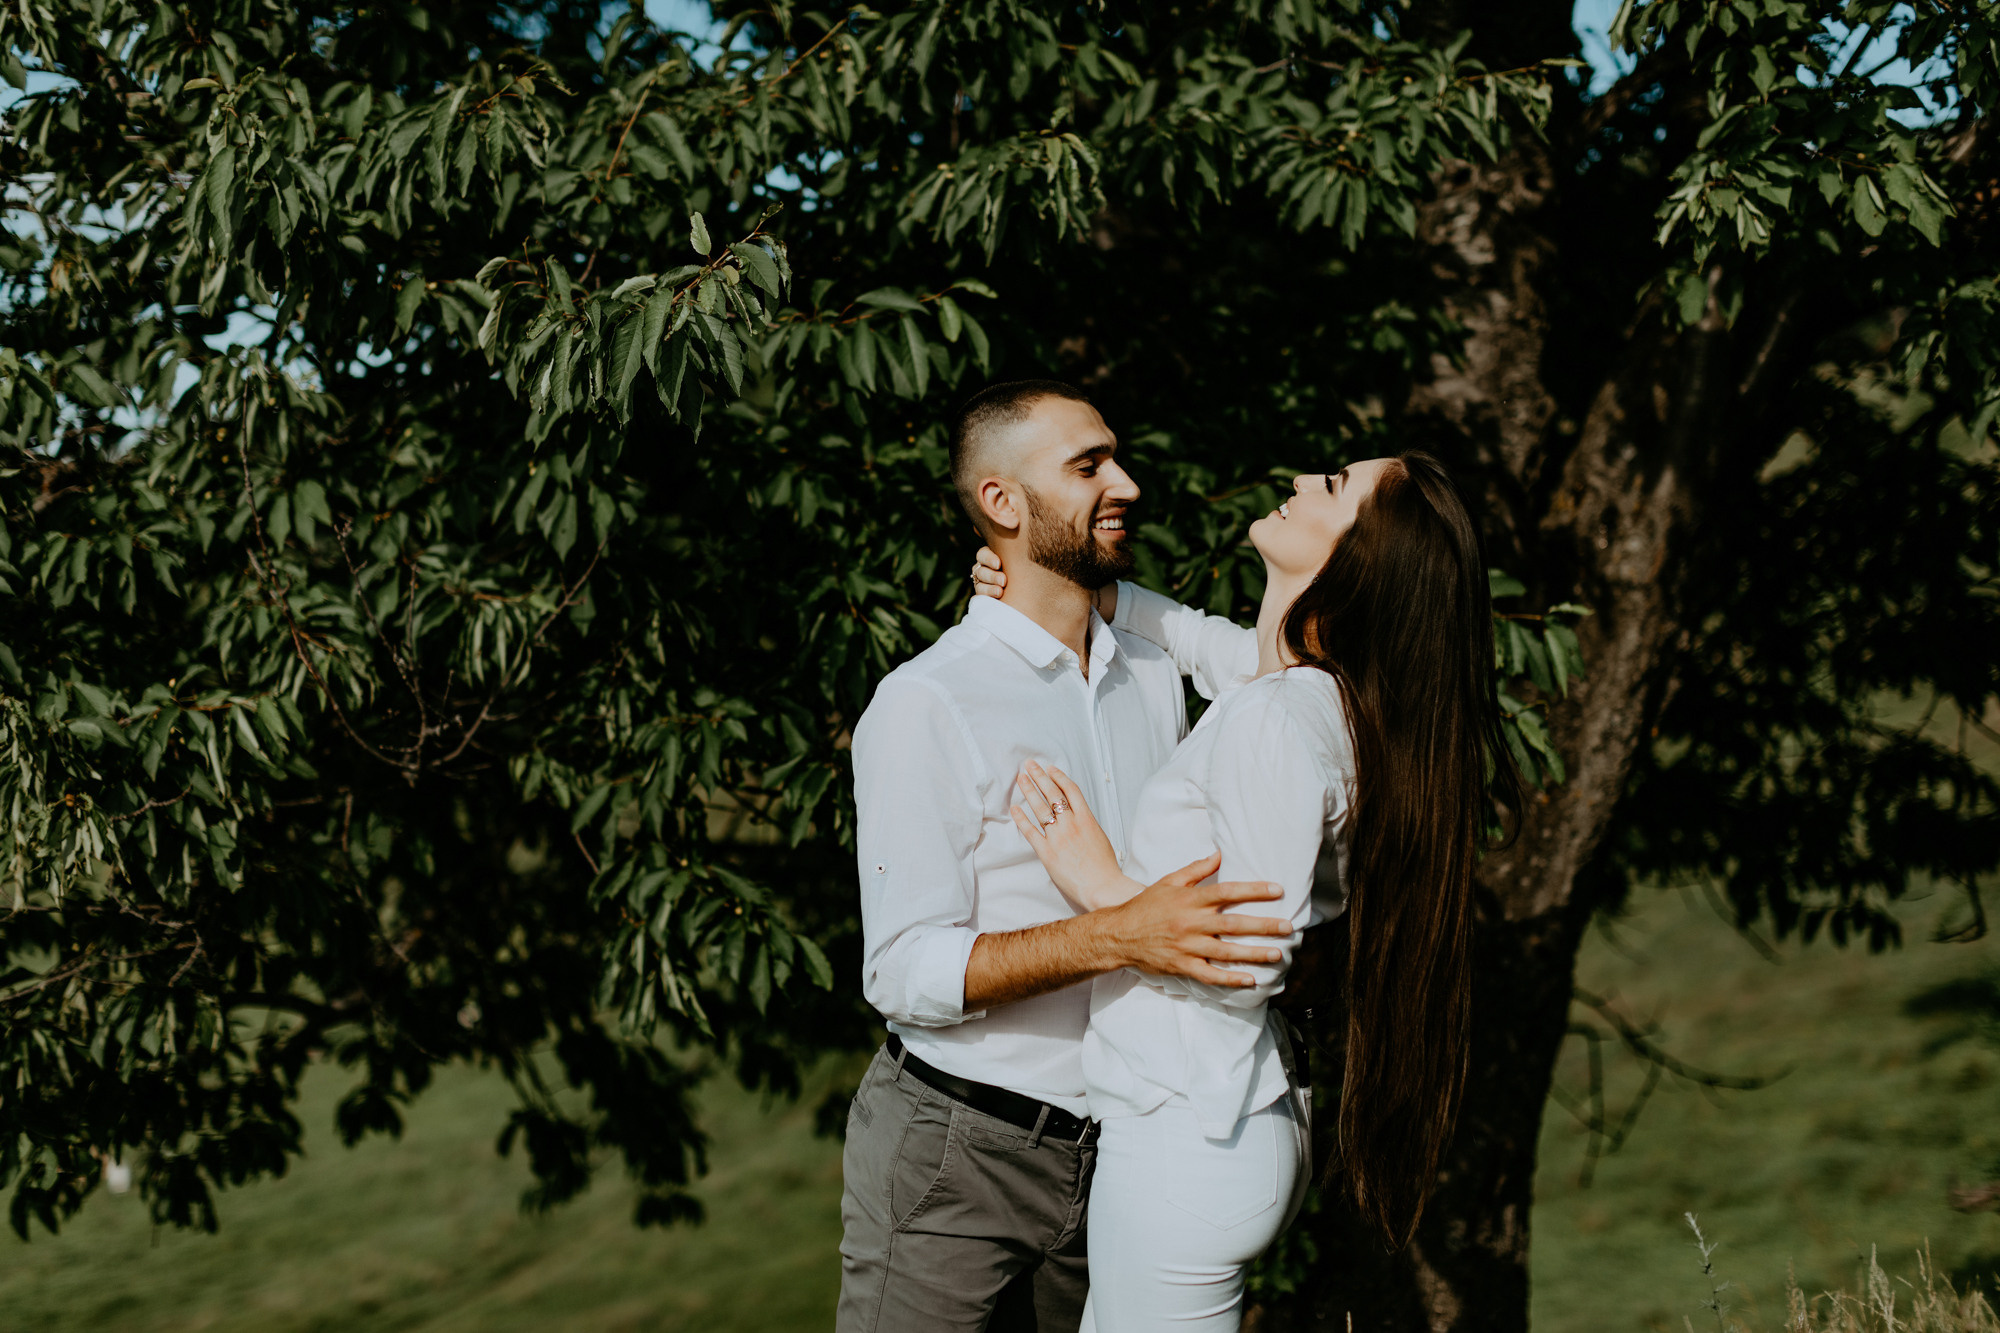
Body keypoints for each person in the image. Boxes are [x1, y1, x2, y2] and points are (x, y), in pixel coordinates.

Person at [978, 452, 1521, 1331]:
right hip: (1206, 1124)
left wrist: (1101, 884)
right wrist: (1065, 583)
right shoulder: (1309, 696)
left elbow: (1252, 957)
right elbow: (1198, 639)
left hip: (1190, 1131)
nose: (1304, 479)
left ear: (1357, 561)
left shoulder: (1282, 717)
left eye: (1334, 486)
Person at [838, 380, 1296, 1333]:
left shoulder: (1151, 668)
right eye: (1088, 467)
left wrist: (1122, 601)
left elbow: (1287, 682)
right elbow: (902, 968)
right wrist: (1117, 934)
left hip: (1125, 1152)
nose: (1124, 482)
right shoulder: (930, 701)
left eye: (1115, 457)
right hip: (957, 1153)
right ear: (1002, 504)